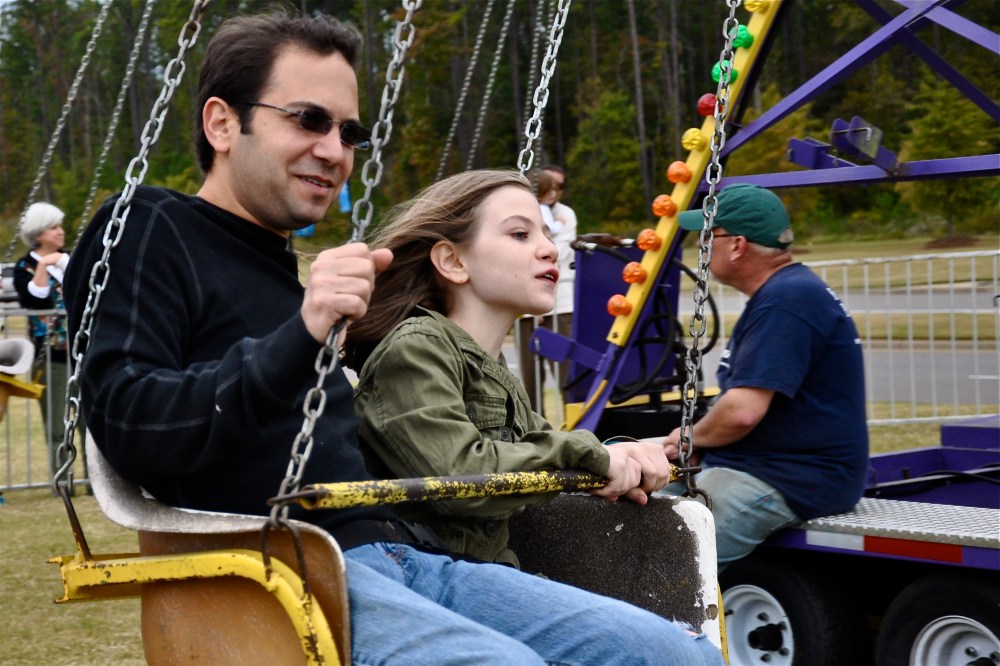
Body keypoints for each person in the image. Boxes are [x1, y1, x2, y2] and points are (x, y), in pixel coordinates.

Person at [64, 11, 723, 666]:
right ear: (221, 123)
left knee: (670, 652)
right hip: (285, 570)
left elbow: (448, 445)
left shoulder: (280, 273)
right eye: (308, 120)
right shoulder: (148, 225)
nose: (334, 151)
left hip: (405, 554)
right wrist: (303, 333)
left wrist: (599, 460)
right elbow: (134, 424)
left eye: (349, 132)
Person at [344, 169, 671, 568]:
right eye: (520, 234)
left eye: (546, 235)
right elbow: (460, 475)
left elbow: (541, 446)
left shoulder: (489, 367)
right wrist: (594, 457)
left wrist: (623, 455)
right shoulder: (415, 348)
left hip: (486, 570)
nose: (549, 249)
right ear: (453, 260)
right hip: (426, 574)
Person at [662, 183, 869, 571]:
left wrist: (691, 439)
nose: (701, 247)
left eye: (707, 236)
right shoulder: (785, 293)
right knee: (634, 506)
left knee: (665, 559)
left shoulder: (786, 300)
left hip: (793, 476)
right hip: (766, 465)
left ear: (737, 246)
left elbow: (743, 412)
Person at [14, 202, 86, 485]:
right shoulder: (24, 267)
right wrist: (44, 265)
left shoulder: (72, 259)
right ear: (38, 233)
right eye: (53, 227)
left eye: (60, 226)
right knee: (57, 425)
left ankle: (94, 483)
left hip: (82, 355)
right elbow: (35, 300)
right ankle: (64, 481)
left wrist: (63, 263)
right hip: (51, 358)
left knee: (89, 425)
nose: (60, 232)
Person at [516, 166, 577, 412]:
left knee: (566, 374)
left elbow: (559, 252)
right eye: (549, 188)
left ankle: (574, 422)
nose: (555, 193)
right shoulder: (520, 215)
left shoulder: (565, 215)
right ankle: (532, 425)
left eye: (559, 188)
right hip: (524, 303)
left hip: (559, 303)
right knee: (530, 376)